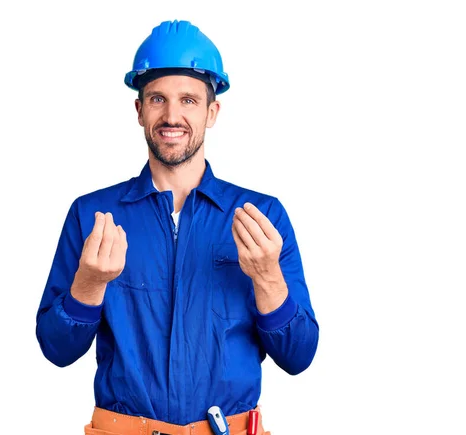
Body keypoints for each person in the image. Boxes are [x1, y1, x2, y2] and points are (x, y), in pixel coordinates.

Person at [36, 19, 319, 435]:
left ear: (212, 111)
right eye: (157, 99)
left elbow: (299, 357)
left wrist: (268, 278)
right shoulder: (93, 215)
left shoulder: (262, 218)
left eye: (188, 100)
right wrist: (90, 285)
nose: (172, 115)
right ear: (139, 110)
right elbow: (56, 349)